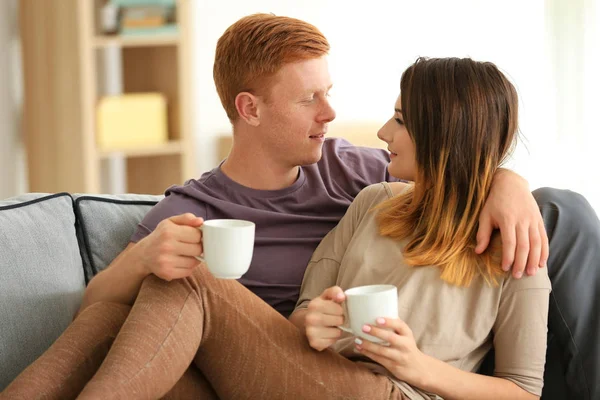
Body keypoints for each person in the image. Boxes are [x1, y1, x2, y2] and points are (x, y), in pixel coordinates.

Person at [1, 14, 598, 400]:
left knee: (193, 282)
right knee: (128, 312)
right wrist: (145, 260)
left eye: (329, 93)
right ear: (250, 109)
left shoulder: (358, 171)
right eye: (310, 98)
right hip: (267, 368)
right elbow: (302, 320)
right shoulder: (360, 199)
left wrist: (508, 180)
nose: (332, 113)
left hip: (374, 388)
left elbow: (455, 166)